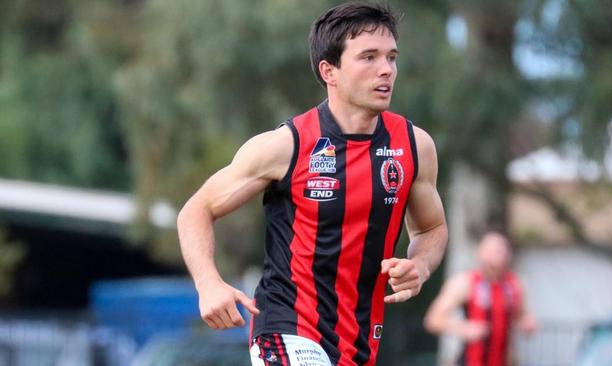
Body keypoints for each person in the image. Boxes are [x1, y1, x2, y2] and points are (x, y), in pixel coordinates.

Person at [177, 2, 448, 365]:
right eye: (368, 57)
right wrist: (208, 283)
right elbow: (197, 209)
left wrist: (421, 266)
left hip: (360, 341)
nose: (386, 70)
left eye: (391, 58)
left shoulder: (414, 146)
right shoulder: (287, 145)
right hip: (286, 328)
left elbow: (431, 228)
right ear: (329, 71)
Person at [423, 231, 537, 366]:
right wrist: (464, 328)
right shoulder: (465, 282)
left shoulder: (515, 284)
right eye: (494, 249)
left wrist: (527, 323)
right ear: (480, 252)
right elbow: (433, 320)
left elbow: (521, 316)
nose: (500, 252)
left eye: (503, 248)